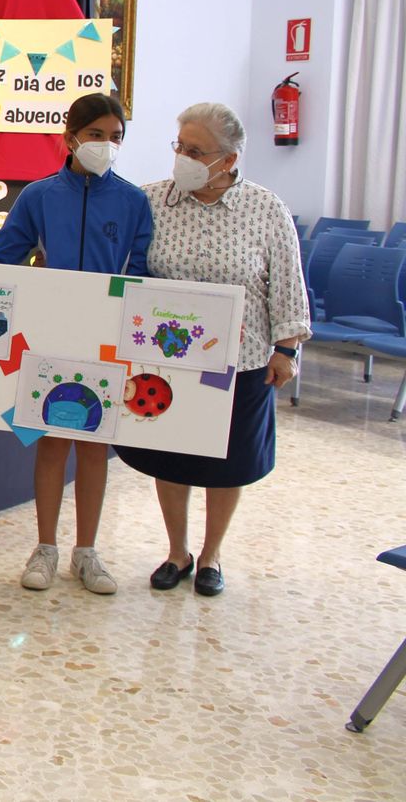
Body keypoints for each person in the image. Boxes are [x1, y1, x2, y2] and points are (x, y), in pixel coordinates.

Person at [115, 103, 309, 597]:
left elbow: (288, 284)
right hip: (167, 359)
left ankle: (211, 555)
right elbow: (127, 268)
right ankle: (177, 551)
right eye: (180, 146)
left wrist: (286, 350)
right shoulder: (151, 200)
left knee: (229, 461)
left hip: (241, 359)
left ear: (229, 159)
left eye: (196, 151)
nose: (183, 157)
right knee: (170, 457)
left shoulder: (265, 208)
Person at [0, 93, 151, 595]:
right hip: (50, 335)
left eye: (116, 137)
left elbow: (144, 273)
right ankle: (46, 547)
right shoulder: (39, 196)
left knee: (95, 446)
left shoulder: (134, 201)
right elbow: (4, 257)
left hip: (104, 340)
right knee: (52, 442)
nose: (106, 145)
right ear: (70, 137)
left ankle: (87, 552)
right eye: (96, 135)